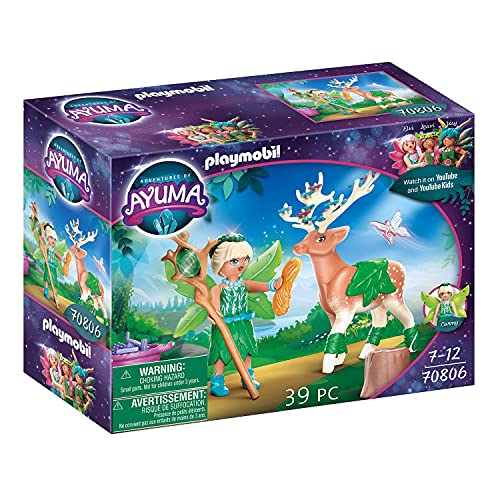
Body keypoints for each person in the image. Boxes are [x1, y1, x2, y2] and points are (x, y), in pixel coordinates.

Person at [208, 234, 283, 397]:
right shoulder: (217, 289)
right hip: (225, 325)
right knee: (222, 353)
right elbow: (214, 305)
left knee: (247, 350)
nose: (241, 264)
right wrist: (215, 314)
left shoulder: (244, 284)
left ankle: (247, 376)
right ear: (220, 265)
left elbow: (260, 286)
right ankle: (217, 380)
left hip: (243, 324)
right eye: (234, 261)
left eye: (245, 259)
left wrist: (273, 285)